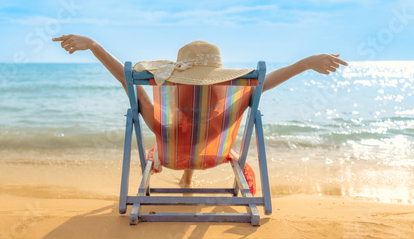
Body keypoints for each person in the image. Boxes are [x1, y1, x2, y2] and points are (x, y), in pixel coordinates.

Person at [52, 34, 348, 187]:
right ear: (219, 86)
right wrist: (306, 63)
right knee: (199, 131)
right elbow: (265, 82)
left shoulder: (163, 124)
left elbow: (125, 78)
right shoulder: (227, 113)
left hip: (171, 156)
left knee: (184, 130)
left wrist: (93, 45)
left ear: (177, 89)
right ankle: (188, 178)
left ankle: (184, 176)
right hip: (214, 156)